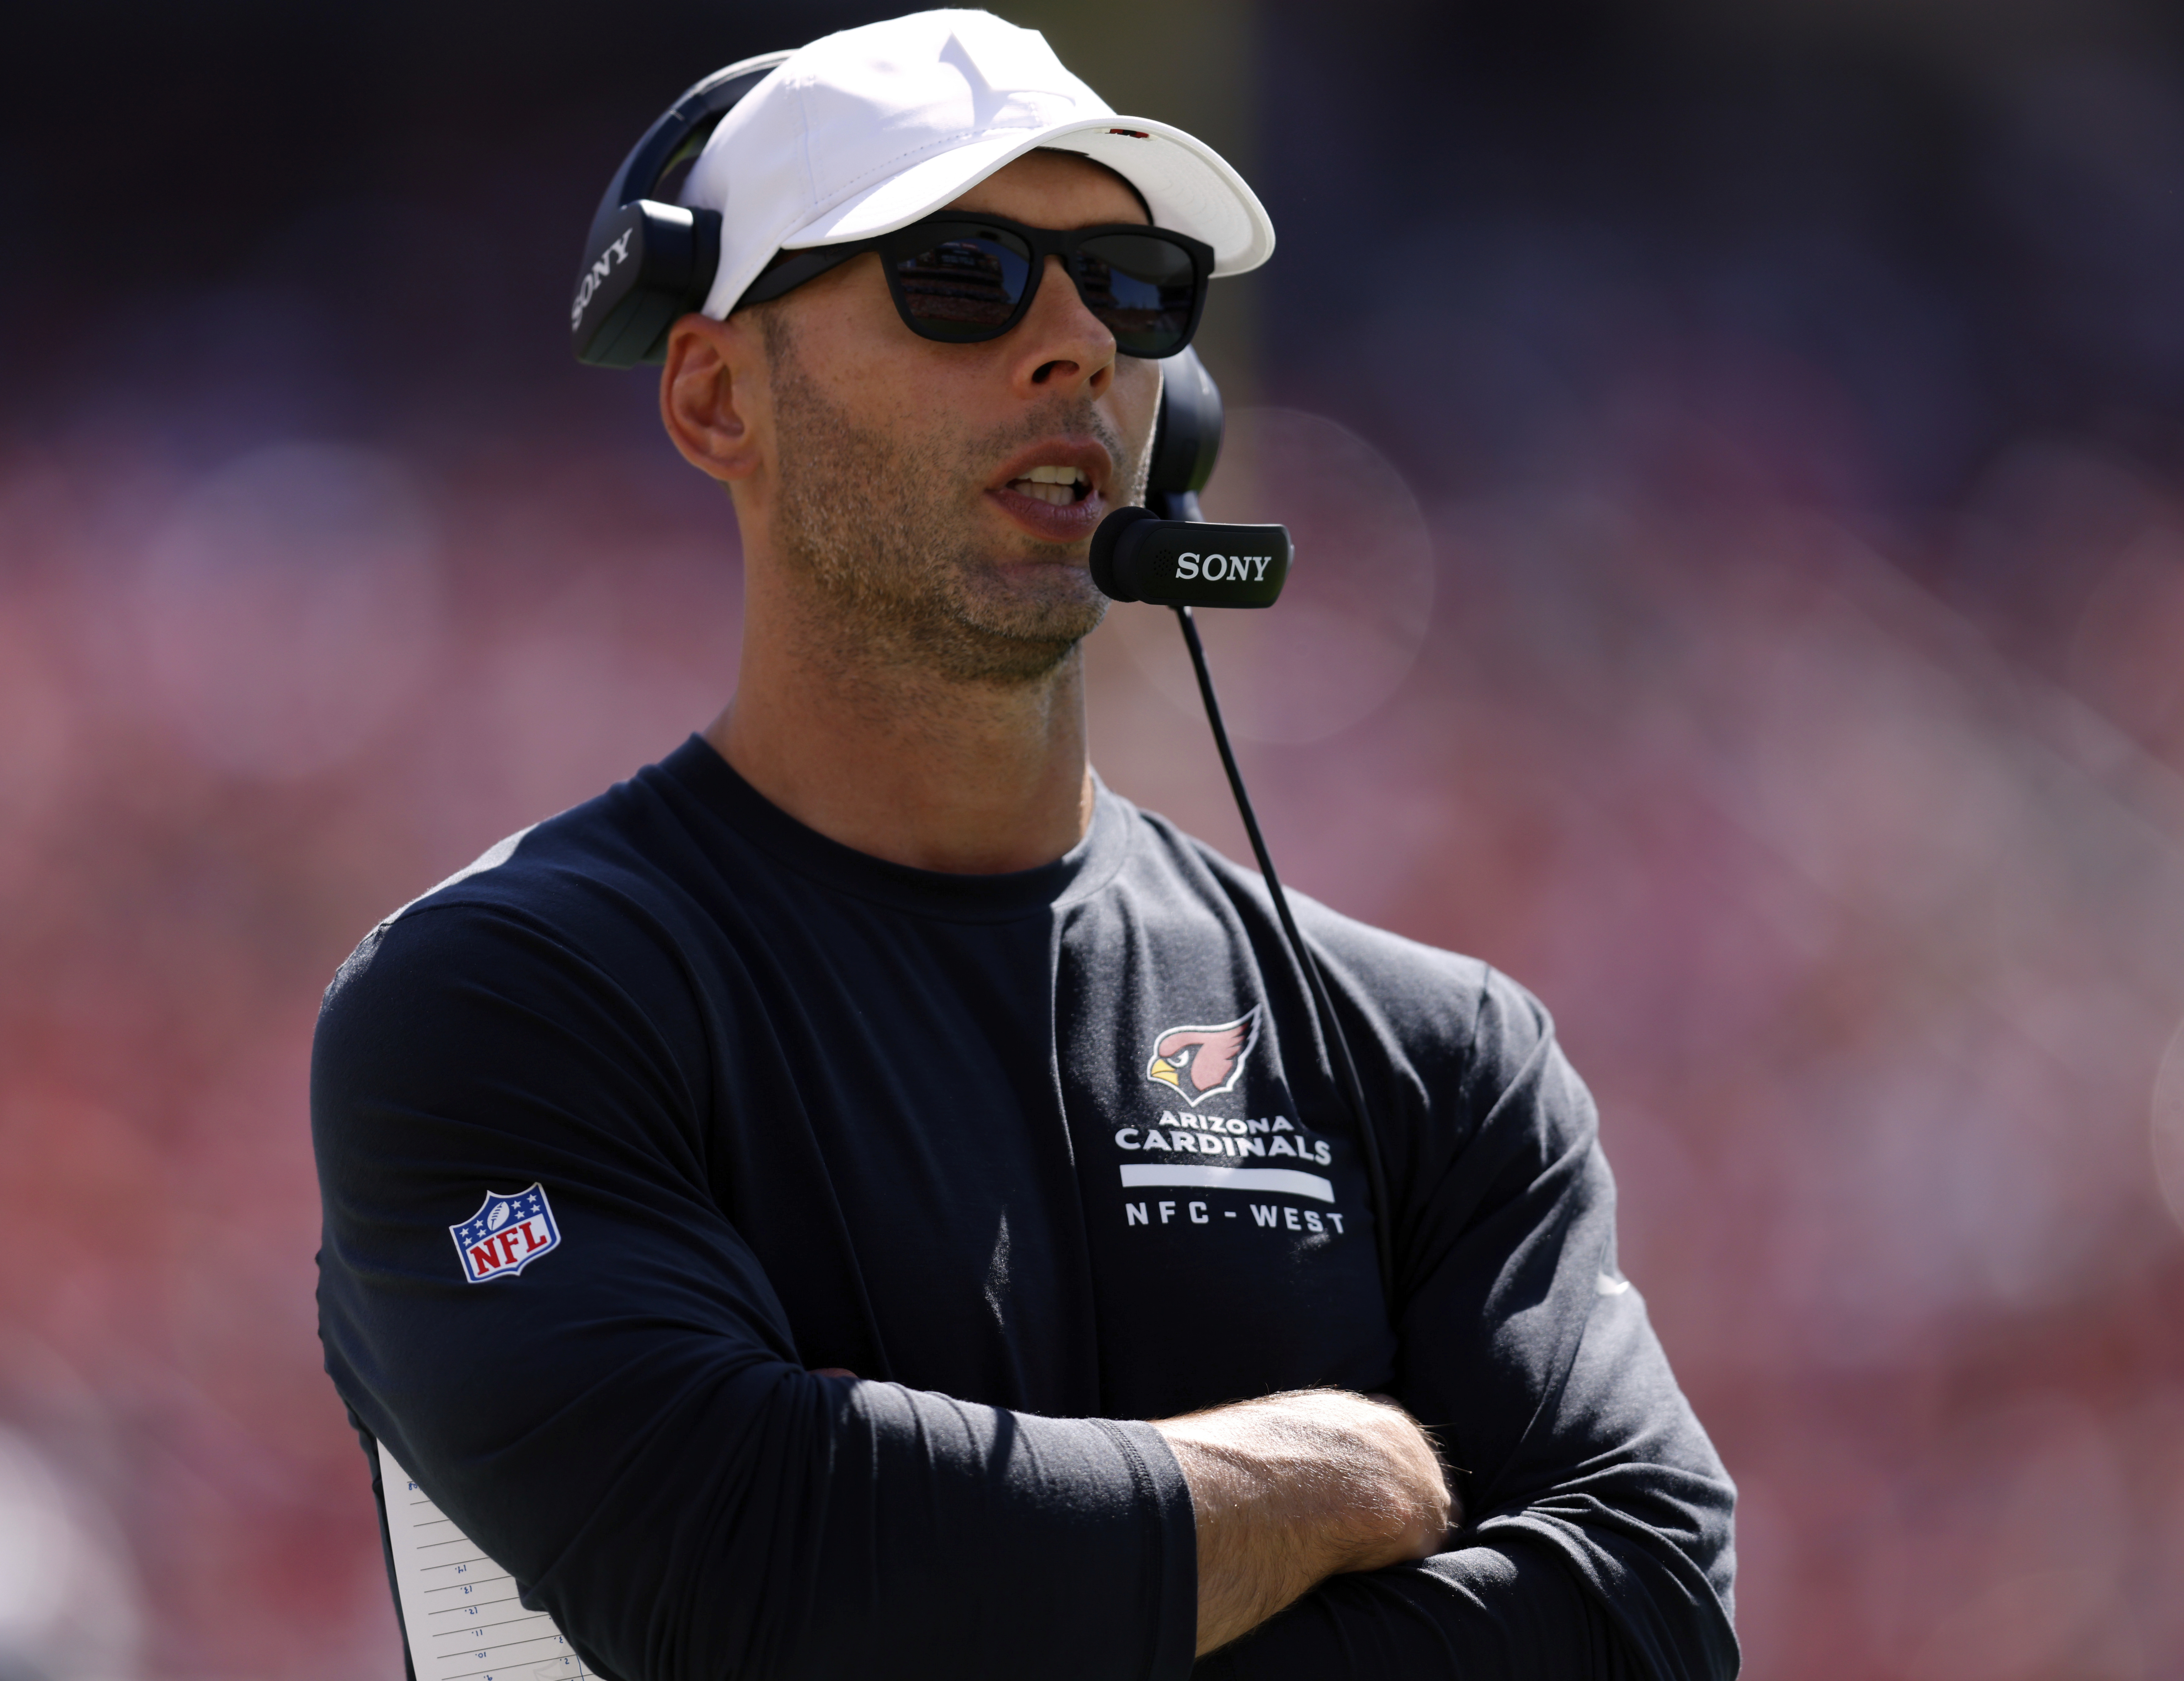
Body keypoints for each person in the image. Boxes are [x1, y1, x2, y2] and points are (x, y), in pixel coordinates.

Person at [311, 12, 1736, 1679]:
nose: (1076, 344)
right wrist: (1329, 1480)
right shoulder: (502, 1000)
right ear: (711, 396)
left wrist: (1015, 1593)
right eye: (960, 273)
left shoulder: (1443, 1053)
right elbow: (756, 1565)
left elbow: (1644, 1611)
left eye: (1132, 285)